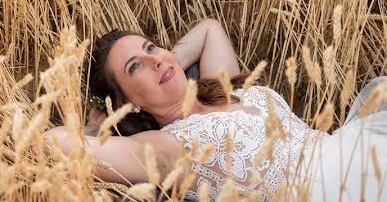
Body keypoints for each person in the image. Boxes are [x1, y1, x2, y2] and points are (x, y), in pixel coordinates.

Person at [45, 19, 387, 201]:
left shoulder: (222, 89)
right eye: (135, 67)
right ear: (127, 103)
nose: (154, 57)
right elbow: (51, 142)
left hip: (353, 151)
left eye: (152, 46)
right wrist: (98, 124)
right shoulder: (165, 148)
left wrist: (165, 65)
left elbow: (209, 29)